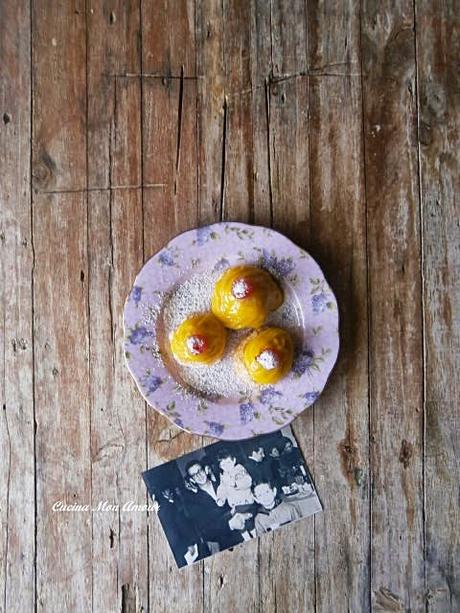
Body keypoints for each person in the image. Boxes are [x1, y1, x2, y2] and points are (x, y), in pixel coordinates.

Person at [183, 459, 242, 552]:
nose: (199, 475)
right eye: (194, 475)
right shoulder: (193, 502)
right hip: (227, 542)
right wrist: (229, 522)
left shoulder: (222, 483)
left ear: (205, 470)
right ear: (192, 479)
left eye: (200, 470)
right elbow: (206, 531)